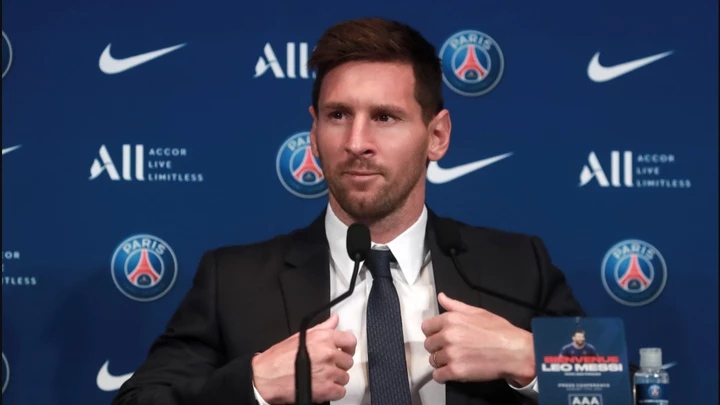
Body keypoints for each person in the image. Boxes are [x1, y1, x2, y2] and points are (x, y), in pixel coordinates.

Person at [111, 17, 586, 405]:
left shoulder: (518, 267)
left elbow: (616, 388)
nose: (357, 143)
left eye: (385, 117)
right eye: (338, 115)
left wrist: (528, 358)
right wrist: (255, 384)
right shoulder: (233, 281)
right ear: (314, 134)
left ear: (437, 136)